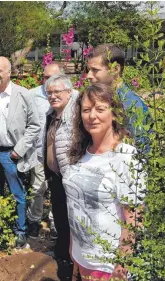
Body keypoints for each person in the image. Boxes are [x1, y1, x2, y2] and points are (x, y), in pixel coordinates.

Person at [65, 83, 145, 280]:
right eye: (86, 110)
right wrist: (74, 249)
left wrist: (123, 264)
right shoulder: (80, 152)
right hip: (81, 257)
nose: (92, 116)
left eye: (100, 109)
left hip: (108, 265)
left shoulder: (126, 157)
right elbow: (75, 205)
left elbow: (134, 218)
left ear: (114, 114)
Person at [0, 57, 41, 248]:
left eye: (0, 71)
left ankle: (20, 231)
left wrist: (19, 150)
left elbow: (35, 125)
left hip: (11, 154)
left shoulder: (23, 95)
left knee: (18, 194)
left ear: (9, 72)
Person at [42, 74, 79, 278]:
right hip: (56, 176)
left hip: (70, 176)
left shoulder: (75, 115)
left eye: (57, 92)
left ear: (69, 92)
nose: (53, 96)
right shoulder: (52, 114)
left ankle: (71, 260)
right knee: (59, 215)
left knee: (71, 218)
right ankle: (62, 252)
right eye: (49, 92)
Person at [27, 63, 67, 240]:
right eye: (45, 77)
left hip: (61, 154)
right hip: (39, 152)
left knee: (59, 191)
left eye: (53, 77)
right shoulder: (32, 95)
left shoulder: (69, 95)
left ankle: (54, 222)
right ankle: (34, 220)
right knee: (37, 188)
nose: (48, 81)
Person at [86, 43, 150, 148]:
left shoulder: (131, 105)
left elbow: (142, 151)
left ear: (115, 69)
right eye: (88, 70)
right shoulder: (104, 97)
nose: (88, 76)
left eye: (95, 70)